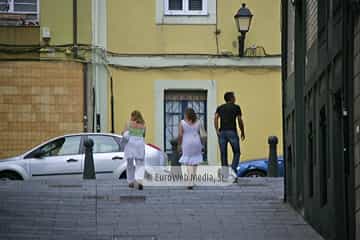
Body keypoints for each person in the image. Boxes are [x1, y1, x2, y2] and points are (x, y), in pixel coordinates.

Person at [214, 92, 245, 182]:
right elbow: (239, 120)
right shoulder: (236, 107)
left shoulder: (220, 108)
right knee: (237, 152)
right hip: (232, 132)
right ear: (231, 98)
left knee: (223, 154)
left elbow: (216, 117)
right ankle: (233, 171)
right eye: (234, 97)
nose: (235, 98)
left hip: (222, 132)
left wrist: (216, 130)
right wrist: (242, 131)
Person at [178, 108, 205, 190]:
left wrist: (179, 144)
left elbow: (180, 135)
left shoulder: (182, 122)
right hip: (196, 141)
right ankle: (192, 180)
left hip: (186, 142)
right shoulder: (199, 122)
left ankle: (190, 182)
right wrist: (203, 144)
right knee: (195, 161)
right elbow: (203, 134)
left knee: (189, 162)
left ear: (186, 114)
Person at [122, 110, 146, 190]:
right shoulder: (143, 125)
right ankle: (139, 181)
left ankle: (131, 181)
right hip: (140, 144)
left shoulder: (128, 123)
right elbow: (144, 135)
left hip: (131, 144)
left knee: (130, 164)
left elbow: (125, 134)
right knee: (140, 164)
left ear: (132, 116)